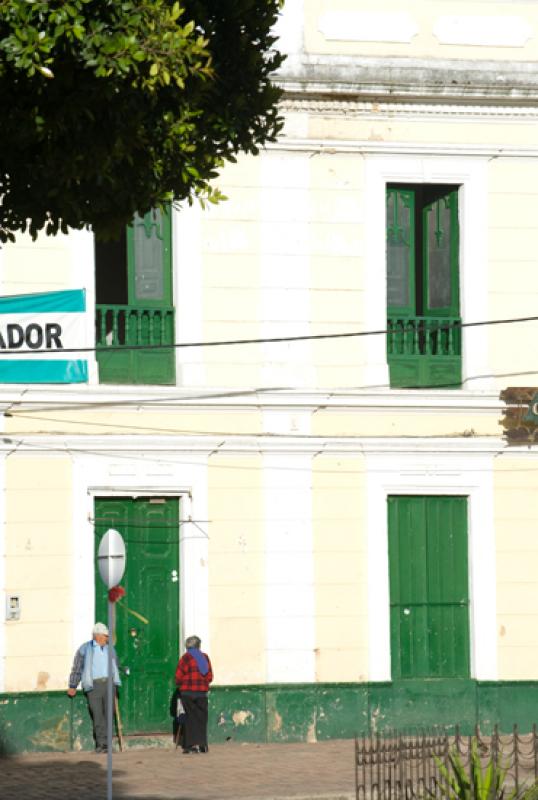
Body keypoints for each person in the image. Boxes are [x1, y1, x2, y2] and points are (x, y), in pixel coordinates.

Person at [67, 622, 121, 753]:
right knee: (97, 715)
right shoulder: (85, 648)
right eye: (104, 636)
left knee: (109, 715)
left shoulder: (110, 649)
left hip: (109, 684)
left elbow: (116, 664)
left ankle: (108, 745)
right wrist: (73, 685)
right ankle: (100, 744)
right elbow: (77, 668)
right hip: (94, 685)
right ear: (96, 636)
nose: (107, 639)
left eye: (107, 636)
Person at [175, 635, 213, 753]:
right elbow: (210, 677)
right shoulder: (205, 657)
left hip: (187, 694)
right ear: (198, 646)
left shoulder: (185, 658)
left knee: (190, 719)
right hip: (201, 693)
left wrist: (181, 684)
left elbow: (178, 677)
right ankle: (202, 745)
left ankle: (189, 746)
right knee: (201, 719)